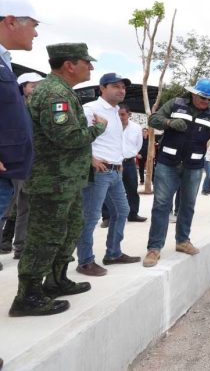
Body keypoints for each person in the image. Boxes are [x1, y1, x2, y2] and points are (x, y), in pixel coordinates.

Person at [11, 43, 107, 317]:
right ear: (69, 65)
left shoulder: (63, 91)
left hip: (67, 180)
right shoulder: (54, 93)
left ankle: (56, 280)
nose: (90, 67)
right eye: (86, 62)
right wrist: (98, 128)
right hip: (52, 180)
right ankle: (27, 296)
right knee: (45, 237)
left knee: (69, 230)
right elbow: (67, 137)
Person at [143, 78, 210, 267]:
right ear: (193, 94)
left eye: (209, 99)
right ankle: (154, 248)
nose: (206, 102)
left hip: (194, 165)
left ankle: (182, 241)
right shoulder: (175, 104)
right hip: (168, 164)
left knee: (187, 205)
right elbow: (153, 119)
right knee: (161, 205)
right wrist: (169, 122)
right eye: (203, 98)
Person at [76, 73, 141, 277]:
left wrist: (120, 160)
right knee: (91, 216)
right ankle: (85, 261)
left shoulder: (115, 112)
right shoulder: (90, 109)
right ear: (102, 88)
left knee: (122, 211)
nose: (121, 90)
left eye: (123, 87)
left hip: (115, 170)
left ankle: (113, 253)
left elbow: (113, 140)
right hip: (98, 171)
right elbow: (78, 137)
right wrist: (90, 159)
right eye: (116, 86)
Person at [0, 0, 38, 274]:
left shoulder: (5, 60)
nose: (35, 33)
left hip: (9, 170)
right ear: (11, 21)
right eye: (33, 25)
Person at [0, 72, 43, 259]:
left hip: (30, 166)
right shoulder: (12, 106)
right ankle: (5, 243)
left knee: (24, 207)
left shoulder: (36, 107)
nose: (36, 90)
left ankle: (20, 246)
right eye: (33, 86)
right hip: (13, 164)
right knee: (7, 208)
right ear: (22, 86)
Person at [119, 104, 146, 222]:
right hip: (114, 163)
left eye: (123, 114)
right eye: (118, 114)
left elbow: (138, 144)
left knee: (132, 189)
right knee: (110, 190)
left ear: (129, 114)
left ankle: (133, 214)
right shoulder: (110, 126)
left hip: (129, 162)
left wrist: (132, 153)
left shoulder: (136, 128)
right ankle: (107, 217)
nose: (120, 117)